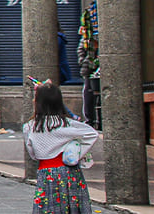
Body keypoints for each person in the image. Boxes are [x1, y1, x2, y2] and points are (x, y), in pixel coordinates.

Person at [24, 81, 98, 214]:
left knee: (48, 208)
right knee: (73, 208)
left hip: (46, 173)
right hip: (70, 173)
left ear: (38, 102)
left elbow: (32, 154)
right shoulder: (67, 124)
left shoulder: (30, 127)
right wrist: (77, 151)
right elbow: (92, 134)